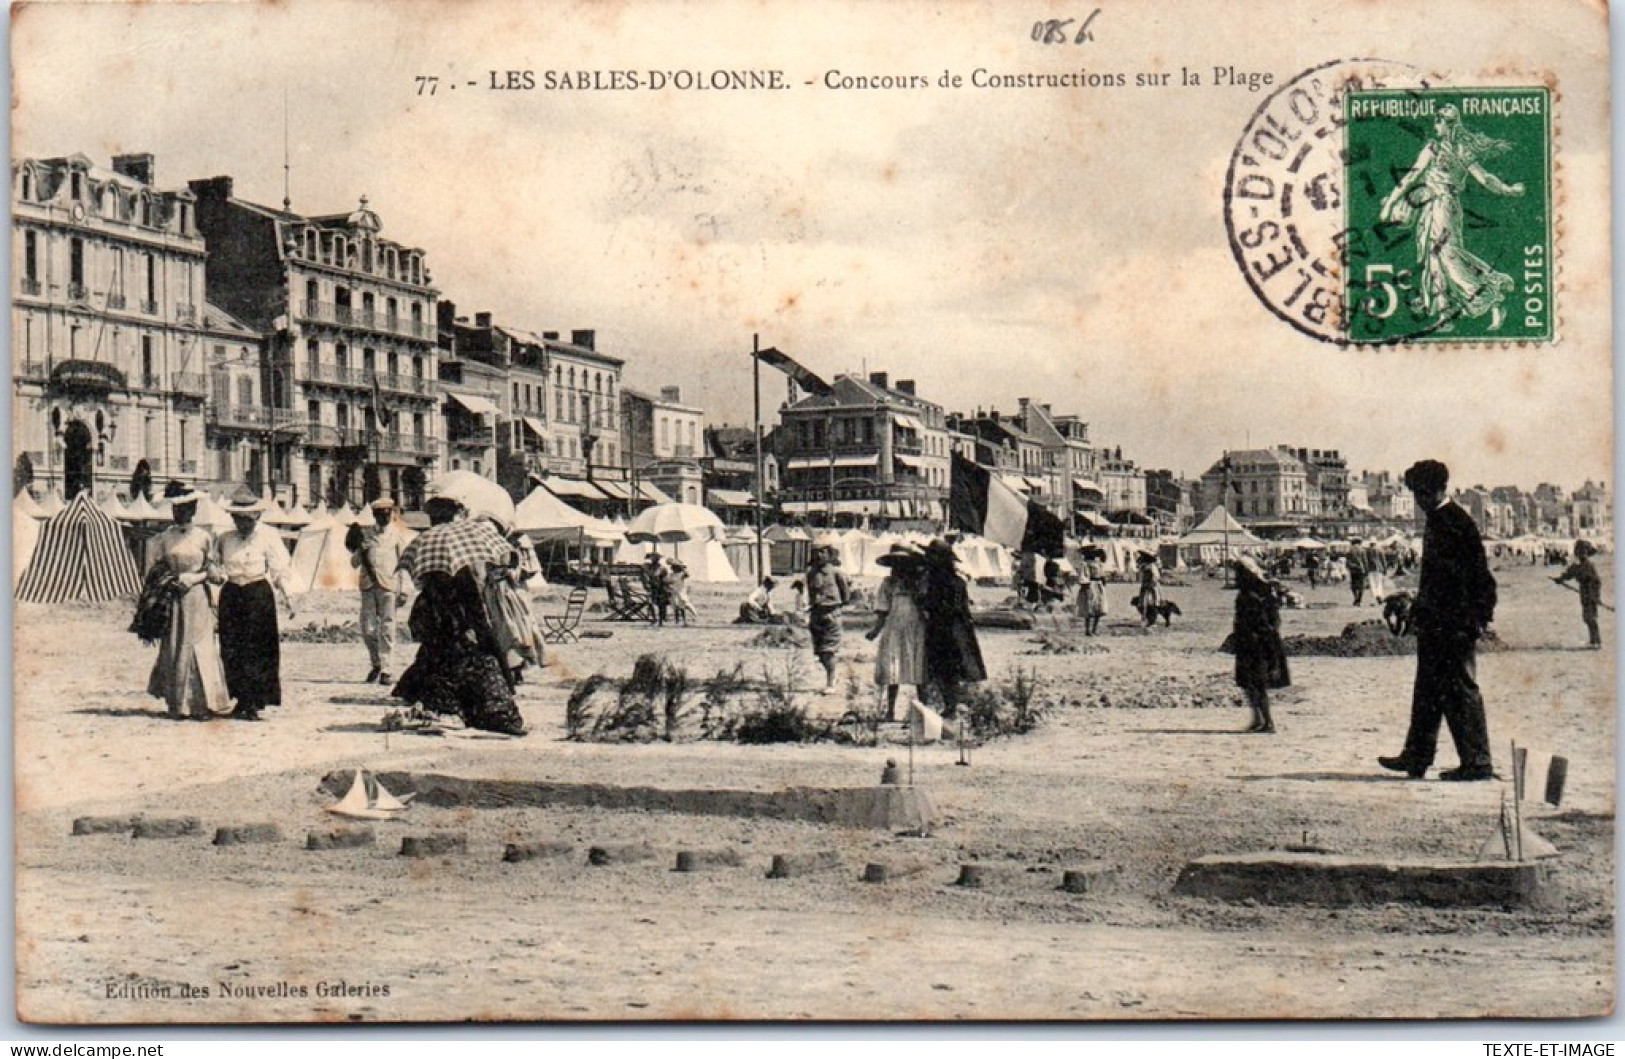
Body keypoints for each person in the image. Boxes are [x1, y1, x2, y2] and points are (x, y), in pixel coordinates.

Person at [1379, 460, 1498, 781]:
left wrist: (1475, 619)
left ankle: (1477, 762)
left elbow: (1476, 578)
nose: (1418, 500)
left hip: (1455, 624)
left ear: (1436, 490)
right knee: (1428, 690)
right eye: (1415, 493)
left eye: (1421, 493)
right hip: (1436, 622)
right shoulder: (1439, 519)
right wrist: (1415, 605)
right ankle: (1416, 757)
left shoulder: (1455, 522)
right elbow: (1437, 581)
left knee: (1460, 689)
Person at [1379, 105, 1524, 331]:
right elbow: (1484, 179)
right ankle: (1445, 313)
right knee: (1434, 257)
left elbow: (1413, 176)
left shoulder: (1444, 149)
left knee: (1447, 256)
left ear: (1448, 124)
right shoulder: (1447, 149)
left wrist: (1391, 202)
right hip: (1436, 206)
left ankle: (1491, 295)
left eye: (1438, 121)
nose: (1435, 126)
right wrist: (1509, 190)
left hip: (1444, 206)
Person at [392, 495, 526, 735]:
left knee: (441, 670)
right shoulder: (463, 546)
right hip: (462, 629)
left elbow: (426, 604)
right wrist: (482, 631)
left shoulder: (430, 549)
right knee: (479, 669)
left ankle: (451, 709)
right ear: (453, 515)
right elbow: (472, 604)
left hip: (442, 631)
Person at [143, 483, 233, 719]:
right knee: (175, 645)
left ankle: (201, 704)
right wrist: (169, 580)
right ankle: (177, 704)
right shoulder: (164, 538)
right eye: (175, 508)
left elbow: (214, 571)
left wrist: (195, 577)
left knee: (199, 646)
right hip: (174, 598)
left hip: (197, 598)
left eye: (184, 508)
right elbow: (153, 571)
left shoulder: (204, 537)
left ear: (193, 509)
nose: (179, 513)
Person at [214, 487, 297, 721]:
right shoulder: (224, 539)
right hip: (231, 595)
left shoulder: (268, 537)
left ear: (257, 517)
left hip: (258, 595)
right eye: (238, 520)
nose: (243, 524)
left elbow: (280, 570)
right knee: (231, 648)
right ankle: (240, 699)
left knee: (258, 650)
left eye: (248, 520)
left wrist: (289, 597)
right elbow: (215, 567)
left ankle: (255, 702)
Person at [919, 538, 986, 716]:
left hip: (943, 628)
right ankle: (953, 704)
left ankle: (951, 705)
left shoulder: (936, 582)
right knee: (955, 668)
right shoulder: (956, 581)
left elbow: (934, 604)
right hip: (958, 628)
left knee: (942, 668)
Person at [477, 515, 544, 684]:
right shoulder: (484, 550)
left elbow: (520, 572)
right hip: (493, 595)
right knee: (501, 631)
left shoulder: (511, 549)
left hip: (508, 595)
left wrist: (506, 573)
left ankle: (517, 667)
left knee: (515, 629)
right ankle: (510, 668)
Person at [866, 542, 926, 722]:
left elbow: (926, 605)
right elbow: (883, 609)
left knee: (919, 670)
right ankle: (890, 711)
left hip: (916, 629)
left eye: (904, 563)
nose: (899, 567)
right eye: (896, 563)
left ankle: (923, 712)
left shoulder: (919, 583)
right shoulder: (888, 584)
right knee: (893, 670)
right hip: (894, 629)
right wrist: (875, 630)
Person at [351, 497, 408, 684]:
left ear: (391, 515)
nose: (384, 518)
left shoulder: (397, 535)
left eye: (387, 515)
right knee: (368, 629)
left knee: (387, 628)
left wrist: (404, 589)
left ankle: (386, 669)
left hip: (389, 586)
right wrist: (360, 550)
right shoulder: (366, 535)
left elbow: (404, 564)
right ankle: (376, 663)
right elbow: (354, 563)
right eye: (380, 515)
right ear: (375, 516)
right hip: (368, 586)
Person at [1231, 556, 1290, 734]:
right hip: (1251, 642)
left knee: (1257, 683)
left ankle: (1267, 721)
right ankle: (1258, 719)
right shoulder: (1258, 592)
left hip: (1258, 643)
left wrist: (1261, 637)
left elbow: (1266, 621)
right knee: (1249, 683)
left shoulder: (1254, 595)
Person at [804, 537, 852, 690]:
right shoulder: (810, 573)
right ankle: (832, 676)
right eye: (816, 552)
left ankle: (830, 682)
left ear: (829, 554)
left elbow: (846, 595)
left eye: (822, 552)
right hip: (816, 615)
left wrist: (834, 607)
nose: (819, 555)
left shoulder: (836, 573)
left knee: (828, 651)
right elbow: (810, 593)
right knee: (819, 652)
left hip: (831, 614)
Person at [1554, 540, 1604, 649]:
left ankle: (1596, 641)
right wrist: (1560, 579)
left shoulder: (1589, 566)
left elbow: (1596, 582)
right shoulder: (1578, 566)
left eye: (1582, 552)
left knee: (1591, 618)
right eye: (1579, 552)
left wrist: (1596, 596)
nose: (1580, 555)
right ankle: (1593, 641)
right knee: (1587, 618)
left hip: (1590, 594)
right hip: (1584, 594)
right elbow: (1569, 574)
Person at [1075, 545, 1109, 636]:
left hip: (1098, 585)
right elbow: (1083, 576)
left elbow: (1102, 574)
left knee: (1098, 608)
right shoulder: (1085, 564)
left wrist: (1103, 581)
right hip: (1090, 585)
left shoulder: (1098, 563)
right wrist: (1085, 583)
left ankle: (1094, 629)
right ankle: (1088, 630)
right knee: (1089, 608)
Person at [664, 560, 695, 627]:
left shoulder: (681, 574)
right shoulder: (671, 575)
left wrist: (682, 567)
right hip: (673, 592)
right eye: (673, 567)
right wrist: (668, 587)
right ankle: (677, 621)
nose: (673, 568)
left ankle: (684, 621)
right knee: (675, 606)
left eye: (675, 567)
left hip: (680, 592)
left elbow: (687, 574)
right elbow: (666, 582)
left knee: (682, 606)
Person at [644, 552, 671, 626]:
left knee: (660, 604)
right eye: (652, 558)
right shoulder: (649, 567)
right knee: (651, 603)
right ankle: (654, 618)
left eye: (654, 559)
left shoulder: (662, 568)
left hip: (660, 588)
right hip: (652, 587)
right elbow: (646, 575)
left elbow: (665, 579)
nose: (653, 560)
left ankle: (661, 620)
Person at [1135, 551, 1162, 627]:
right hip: (1146, 587)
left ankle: (1151, 621)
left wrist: (1151, 583)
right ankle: (1146, 619)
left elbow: (1155, 577)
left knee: (1152, 603)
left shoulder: (1151, 566)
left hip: (1151, 587)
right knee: (1143, 604)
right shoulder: (1144, 566)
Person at [1346, 538, 1369, 607]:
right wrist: (1366, 570)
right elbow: (1365, 561)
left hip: (1353, 570)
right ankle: (1359, 600)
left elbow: (1347, 562)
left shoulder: (1349, 550)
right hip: (1361, 570)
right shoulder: (1362, 550)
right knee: (1361, 586)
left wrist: (1350, 567)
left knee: (1354, 585)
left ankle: (1355, 598)